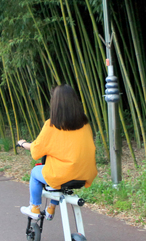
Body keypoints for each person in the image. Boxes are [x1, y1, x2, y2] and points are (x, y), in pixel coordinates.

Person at [18, 85, 97, 221]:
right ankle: (51, 208)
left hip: (62, 174)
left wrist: (23, 143)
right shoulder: (85, 124)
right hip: (85, 173)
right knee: (58, 175)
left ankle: (35, 208)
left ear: (55, 104)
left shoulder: (52, 125)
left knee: (36, 173)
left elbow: (36, 150)